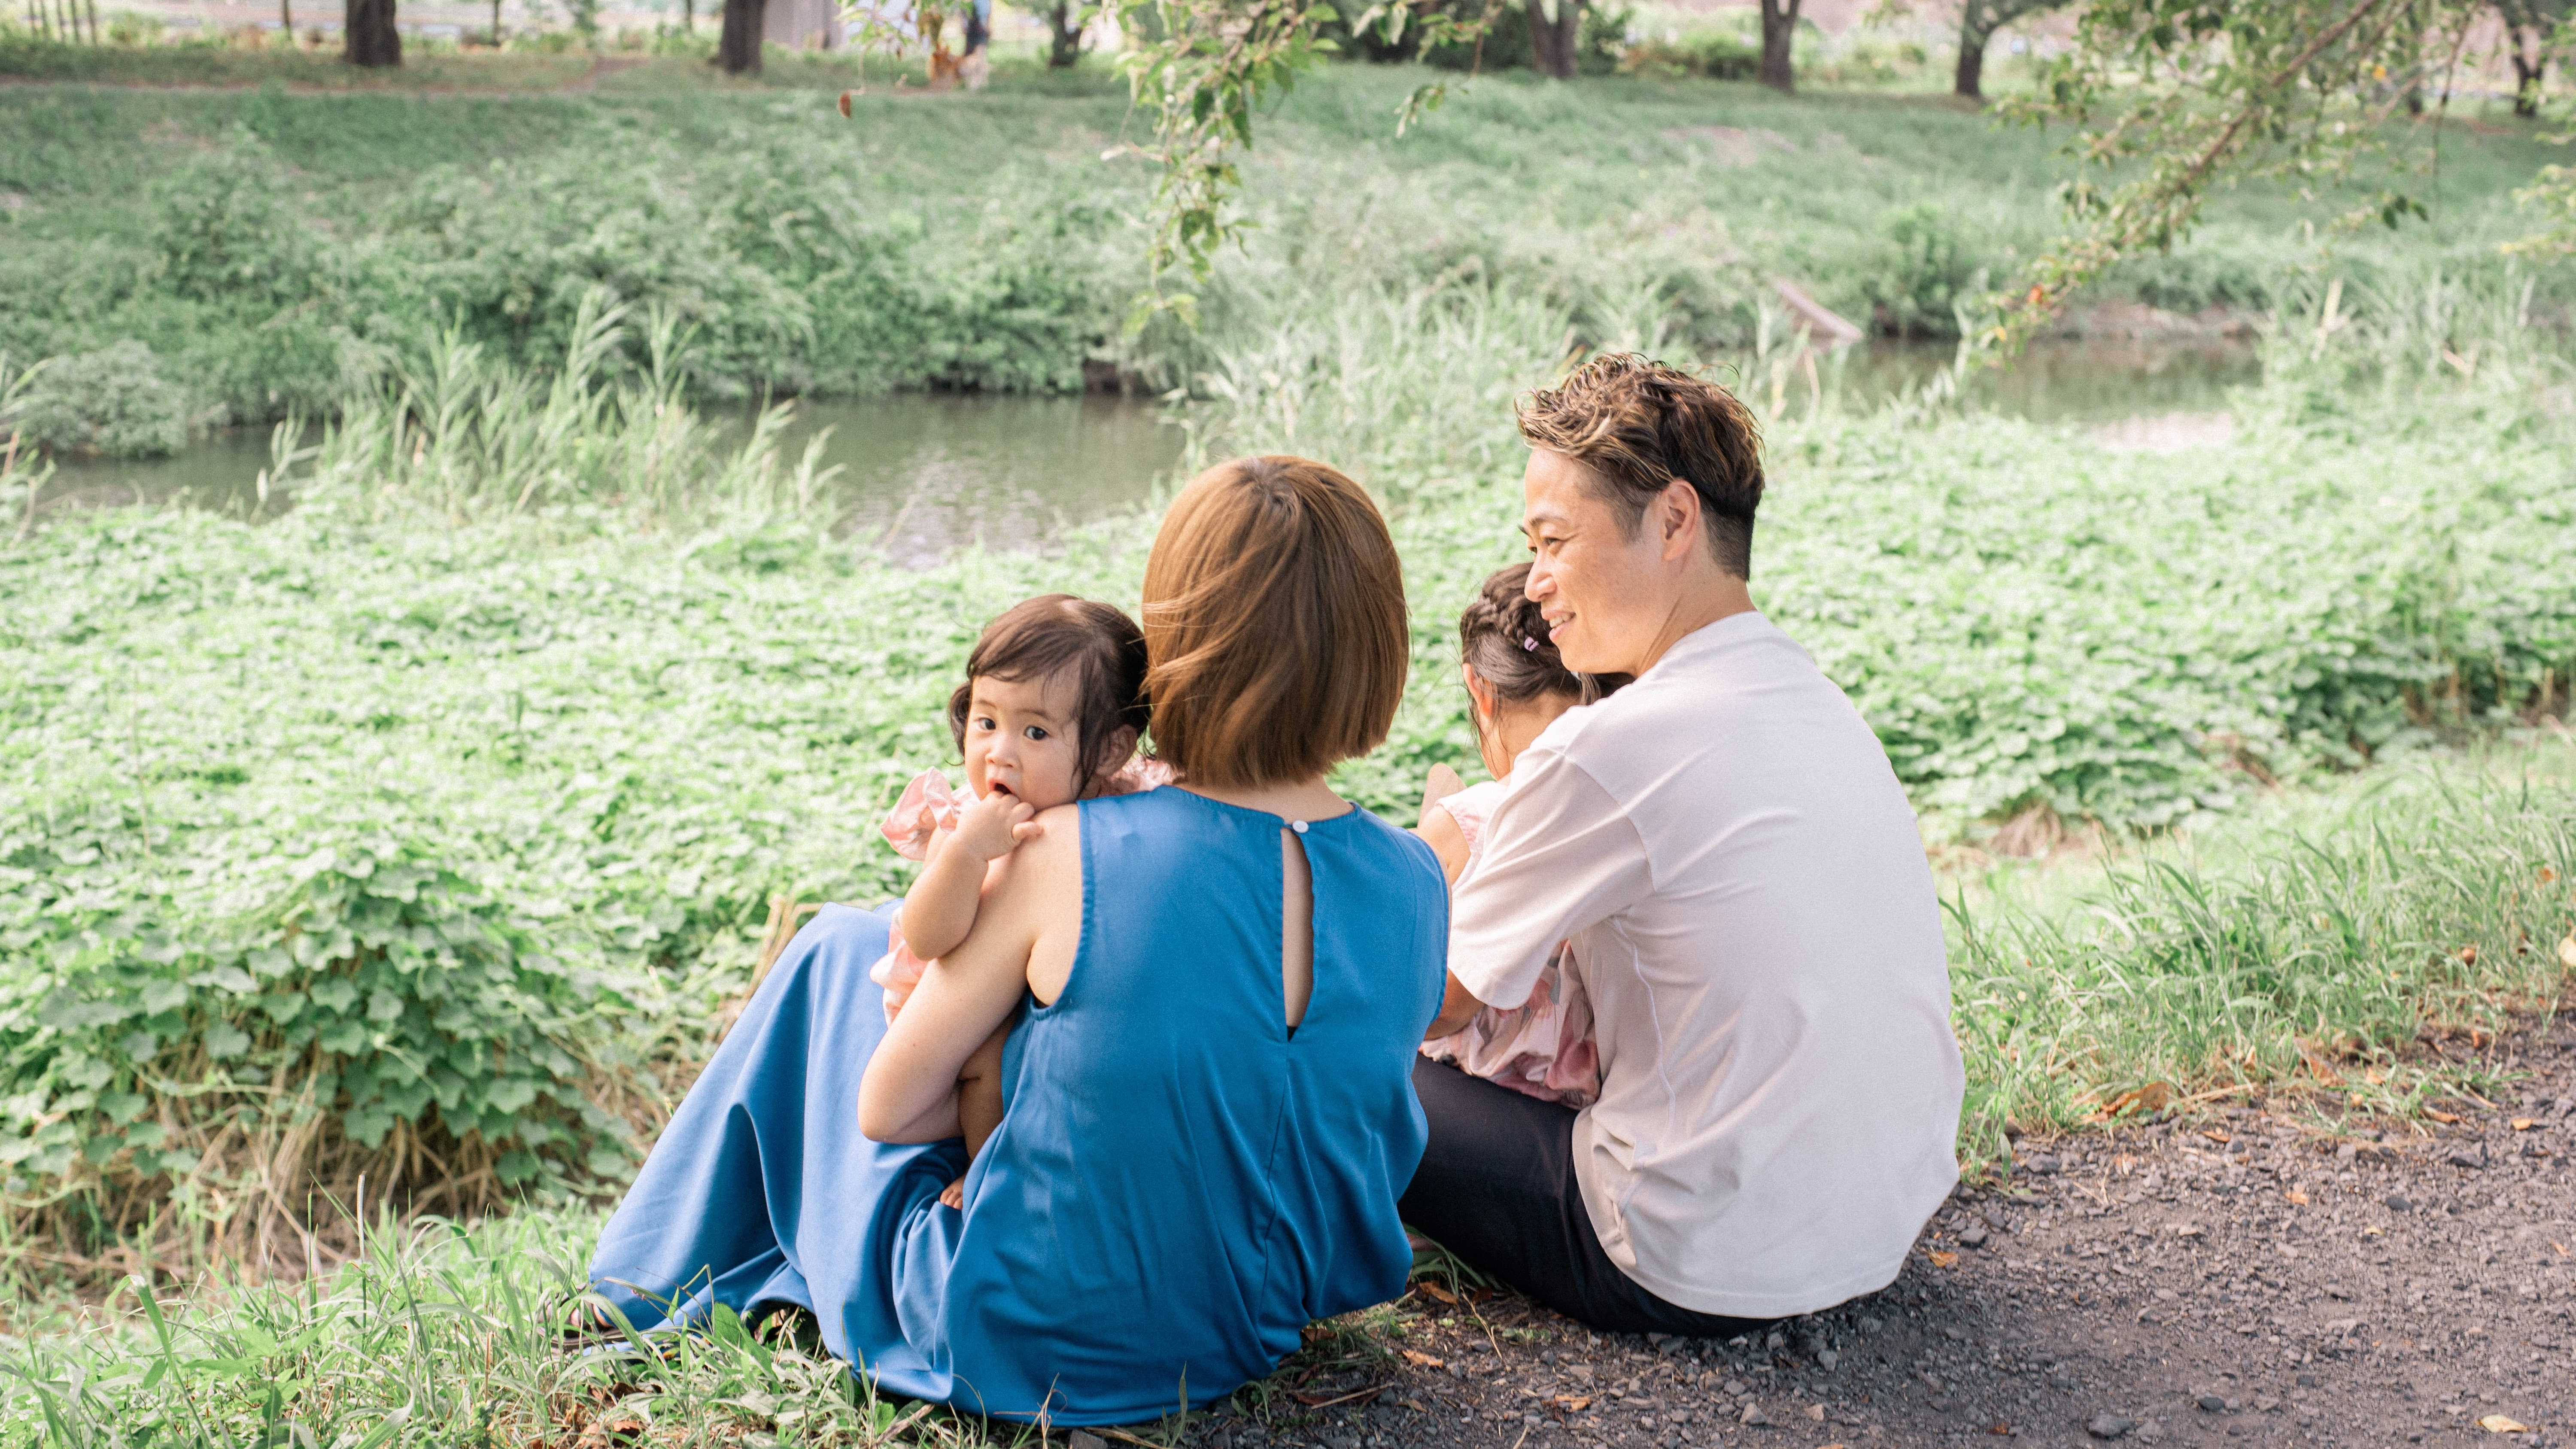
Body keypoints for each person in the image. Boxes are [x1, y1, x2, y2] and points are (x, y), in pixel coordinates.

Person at [587, 455, 1446, 1428]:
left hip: (1028, 1335)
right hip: (1250, 1324)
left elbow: (890, 1110)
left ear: (1176, 638)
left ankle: (642, 1278)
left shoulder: (1070, 852)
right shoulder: (1417, 881)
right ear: (1376, 647)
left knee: (837, 944)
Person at [1400, 353, 1965, 1337]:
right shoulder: (1819, 703)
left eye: (1553, 541)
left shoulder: (1612, 746)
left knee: (1340, 1068)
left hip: (1689, 1259)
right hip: (1881, 1227)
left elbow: (1432, 998)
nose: (1535, 585)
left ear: (1673, 521)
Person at [869, 593, 1166, 1209]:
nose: (1000, 751)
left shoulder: (1124, 803)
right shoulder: (968, 820)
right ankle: (985, 1165)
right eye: (986, 721)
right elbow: (930, 938)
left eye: (1035, 731)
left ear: (1111, 750)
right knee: (988, 1061)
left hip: (1061, 1009)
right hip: (971, 1009)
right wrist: (964, 855)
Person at [1416, 563, 1624, 1108]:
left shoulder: (1466, 820)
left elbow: (1432, 1007)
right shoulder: (1626, 795)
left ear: (1478, 688)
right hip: (1596, 1099)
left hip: (1496, 1111)